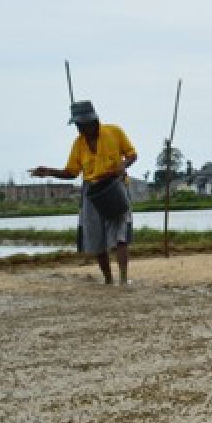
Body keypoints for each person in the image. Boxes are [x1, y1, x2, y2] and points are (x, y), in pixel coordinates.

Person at [30, 100, 138, 285]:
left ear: (94, 121)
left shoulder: (114, 132)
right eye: (78, 125)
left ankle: (123, 279)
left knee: (120, 235)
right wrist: (48, 171)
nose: (80, 129)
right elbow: (71, 172)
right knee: (97, 238)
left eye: (83, 124)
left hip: (115, 186)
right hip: (93, 192)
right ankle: (108, 279)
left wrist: (123, 165)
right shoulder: (79, 144)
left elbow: (132, 154)